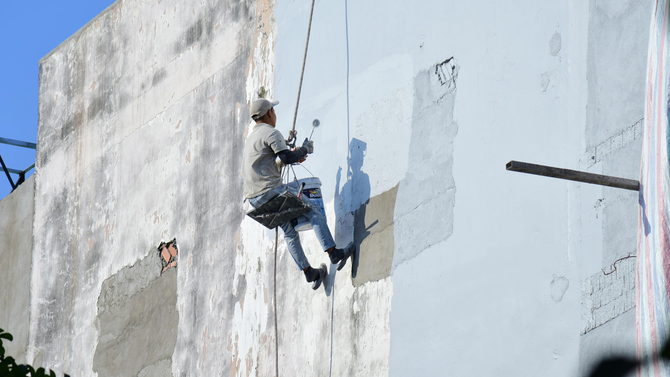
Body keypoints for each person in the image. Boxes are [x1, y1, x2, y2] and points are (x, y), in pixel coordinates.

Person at [242, 98, 354, 290]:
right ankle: (333, 252)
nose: (275, 114)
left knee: (289, 231)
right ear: (269, 113)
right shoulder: (270, 132)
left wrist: (292, 156)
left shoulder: (251, 138)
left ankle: (310, 273)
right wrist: (303, 149)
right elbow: (286, 156)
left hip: (255, 199)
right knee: (312, 209)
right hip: (269, 191)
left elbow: (266, 165)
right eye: (273, 111)